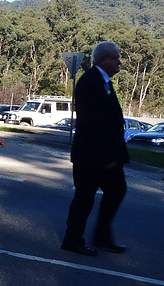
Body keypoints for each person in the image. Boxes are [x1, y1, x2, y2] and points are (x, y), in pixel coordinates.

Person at [62, 41, 129, 256]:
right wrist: (106, 156)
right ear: (103, 60)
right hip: (91, 157)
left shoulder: (104, 81)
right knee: (84, 198)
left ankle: (101, 236)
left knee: (117, 190)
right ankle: (72, 240)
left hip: (105, 155)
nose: (119, 62)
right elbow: (92, 124)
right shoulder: (90, 82)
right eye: (115, 57)